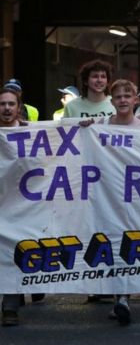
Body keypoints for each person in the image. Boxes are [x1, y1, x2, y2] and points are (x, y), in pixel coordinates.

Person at [78, 79, 140, 325]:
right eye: (117, 97)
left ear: (134, 100)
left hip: (134, 201)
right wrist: (85, 127)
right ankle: (119, 296)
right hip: (106, 198)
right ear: (112, 100)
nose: (122, 101)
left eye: (127, 96)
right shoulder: (101, 126)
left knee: (127, 245)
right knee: (111, 245)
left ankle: (123, 298)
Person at [1, 88, 28, 326]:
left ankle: (10, 306)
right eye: (3, 104)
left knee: (12, 253)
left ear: (19, 107)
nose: (7, 108)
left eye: (11, 104)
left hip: (21, 206)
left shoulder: (31, 132)